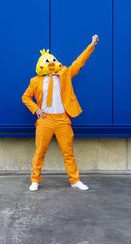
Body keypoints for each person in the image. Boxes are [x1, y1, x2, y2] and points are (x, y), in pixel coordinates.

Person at [22, 35, 99, 191]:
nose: (50, 63)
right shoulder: (35, 81)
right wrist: (35, 109)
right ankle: (35, 180)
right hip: (45, 120)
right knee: (39, 152)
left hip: (63, 119)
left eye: (52, 60)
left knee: (68, 152)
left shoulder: (64, 74)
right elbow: (25, 97)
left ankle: (75, 180)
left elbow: (79, 63)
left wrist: (91, 45)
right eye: (47, 62)